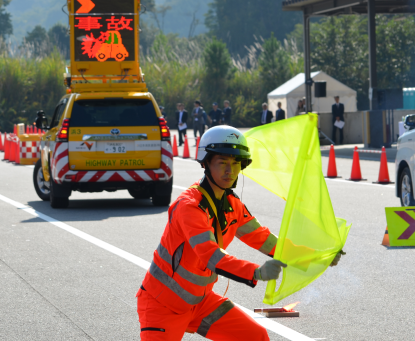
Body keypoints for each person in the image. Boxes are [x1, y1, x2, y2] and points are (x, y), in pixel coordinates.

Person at [136, 126, 343, 340]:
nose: (230, 171)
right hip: (163, 304)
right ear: (205, 163)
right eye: (222, 163)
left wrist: (318, 256)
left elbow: (268, 242)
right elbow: (210, 255)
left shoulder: (232, 205)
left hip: (200, 302)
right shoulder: (189, 206)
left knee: (255, 336)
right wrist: (257, 272)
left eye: (236, 163)